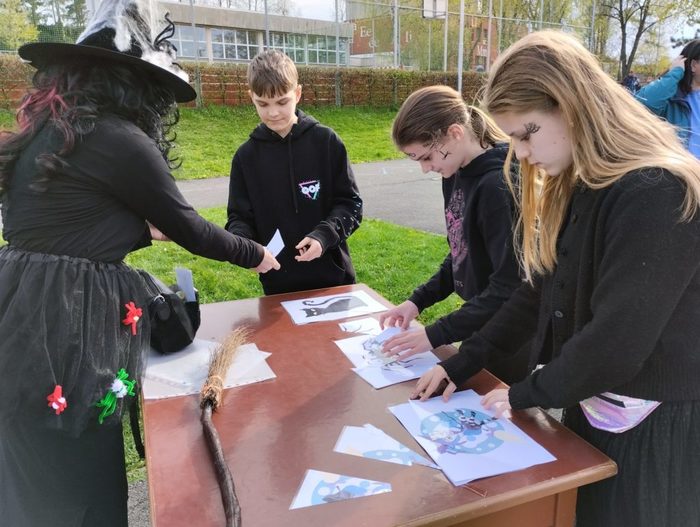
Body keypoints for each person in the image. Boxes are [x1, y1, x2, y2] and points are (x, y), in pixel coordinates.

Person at [0, 1, 279, 525]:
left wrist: (132, 229)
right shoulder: (119, 139)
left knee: (35, 457)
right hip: (67, 322)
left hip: (21, 306)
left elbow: (60, 224)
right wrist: (256, 254)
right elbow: (190, 229)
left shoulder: (52, 130)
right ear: (139, 84)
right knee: (82, 463)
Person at [413, 30, 700, 527]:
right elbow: (538, 291)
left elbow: (617, 341)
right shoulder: (587, 181)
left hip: (656, 432)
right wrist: (465, 361)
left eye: (527, 133)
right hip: (600, 409)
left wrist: (524, 393)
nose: (522, 154)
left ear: (572, 106)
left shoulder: (655, 192)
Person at [379, 85, 528, 384]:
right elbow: (462, 251)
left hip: (509, 331)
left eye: (426, 157)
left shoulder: (497, 188)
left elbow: (510, 284)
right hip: (478, 318)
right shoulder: (454, 172)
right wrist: (417, 301)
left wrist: (435, 334)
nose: (426, 169)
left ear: (455, 133)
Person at [225, 49, 362, 295]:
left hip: (334, 280)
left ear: (297, 94)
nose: (273, 112)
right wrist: (245, 249)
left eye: (282, 102)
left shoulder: (326, 143)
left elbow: (350, 204)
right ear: (251, 97)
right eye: (262, 104)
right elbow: (239, 218)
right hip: (278, 284)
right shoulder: (245, 157)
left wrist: (324, 236)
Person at [635, 39, 700, 157]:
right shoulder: (671, 97)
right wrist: (675, 74)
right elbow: (640, 105)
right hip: (682, 165)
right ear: (694, 65)